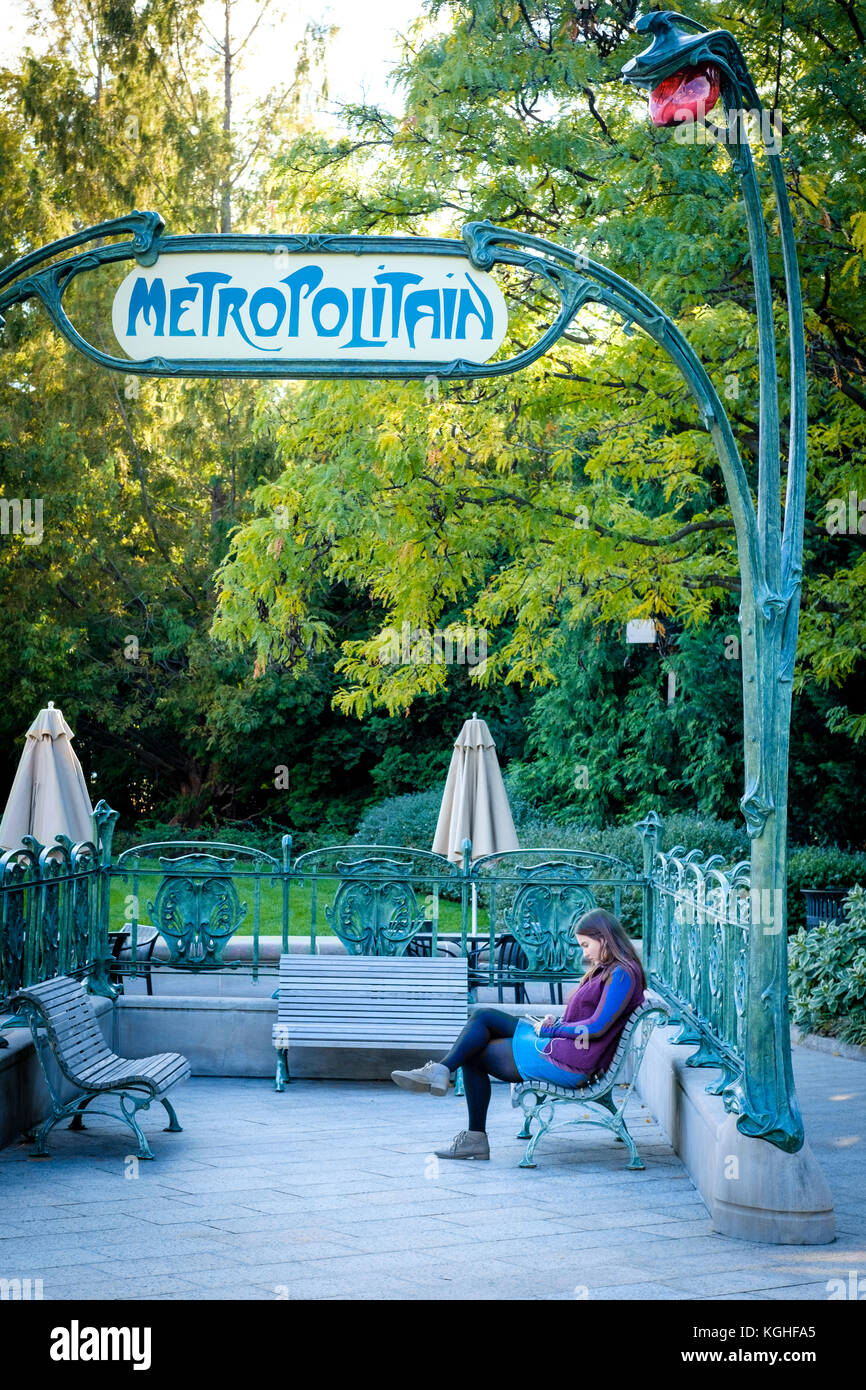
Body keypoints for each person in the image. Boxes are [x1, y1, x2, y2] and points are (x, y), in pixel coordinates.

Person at [390, 908, 646, 1160]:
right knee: (483, 1016)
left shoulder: (621, 974)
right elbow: (587, 1020)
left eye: (586, 945)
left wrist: (552, 1029)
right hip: (564, 1049)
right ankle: (442, 1070)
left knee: (474, 1052)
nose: (585, 953)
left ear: (604, 938)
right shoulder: (612, 971)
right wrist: (555, 1022)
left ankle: (471, 1130)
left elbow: (596, 1027)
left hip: (571, 1063)